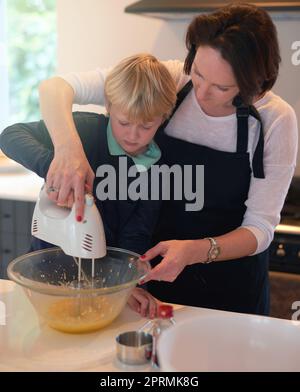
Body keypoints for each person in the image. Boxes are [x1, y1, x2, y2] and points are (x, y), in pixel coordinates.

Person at [22, 3, 298, 315]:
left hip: (230, 291)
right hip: (150, 281)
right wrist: (68, 151)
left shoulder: (275, 120)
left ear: (256, 84)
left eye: (221, 87)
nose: (201, 92)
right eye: (197, 73)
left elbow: (260, 229)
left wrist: (196, 250)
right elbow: (55, 88)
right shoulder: (169, 80)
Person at [0, 53, 177, 318]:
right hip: (47, 275)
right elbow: (10, 136)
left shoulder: (157, 168)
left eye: (146, 126)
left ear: (163, 117)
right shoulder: (85, 131)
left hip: (104, 284)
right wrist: (59, 164)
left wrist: (125, 284)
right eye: (124, 122)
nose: (132, 135)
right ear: (108, 105)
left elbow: (136, 235)